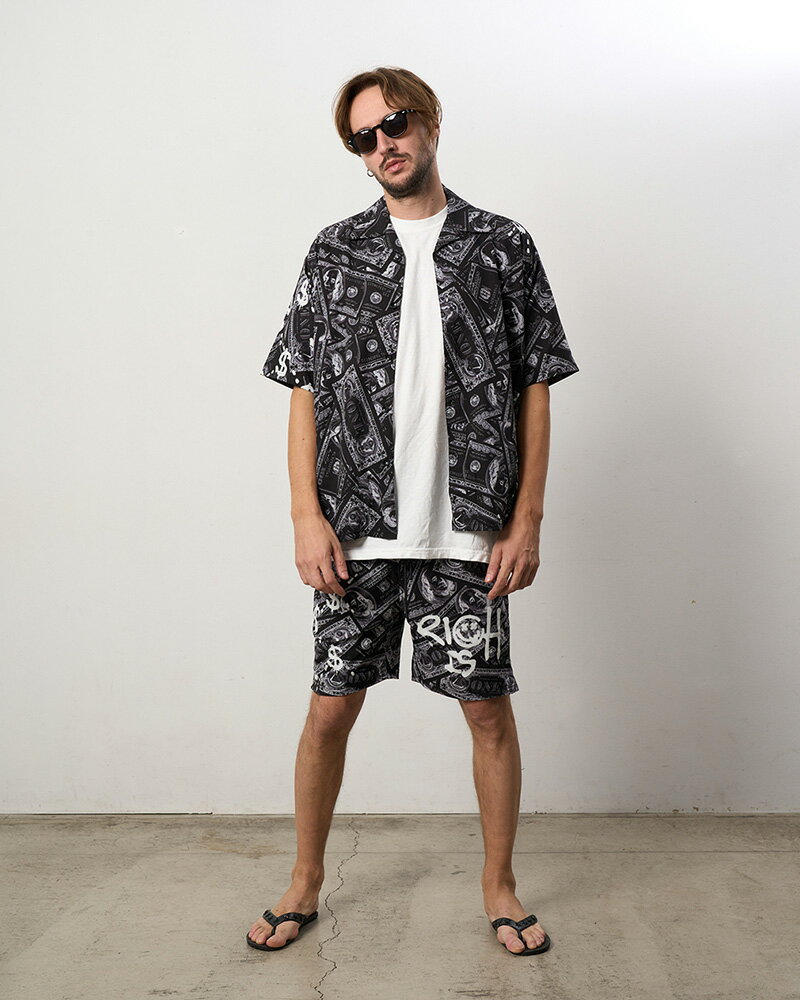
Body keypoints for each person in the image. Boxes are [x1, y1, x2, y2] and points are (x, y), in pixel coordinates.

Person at [247, 66, 579, 958]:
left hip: (469, 527)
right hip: (356, 529)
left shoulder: (501, 246)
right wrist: (304, 516)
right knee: (329, 709)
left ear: (429, 122)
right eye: (363, 137)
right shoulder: (335, 251)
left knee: (487, 712)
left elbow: (536, 384)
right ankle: (305, 878)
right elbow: (303, 386)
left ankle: (500, 886)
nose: (382, 144)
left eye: (393, 123)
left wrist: (527, 519)